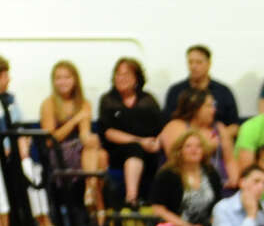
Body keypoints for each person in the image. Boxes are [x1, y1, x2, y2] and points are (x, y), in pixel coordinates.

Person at [39, 60, 107, 210]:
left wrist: (89, 138)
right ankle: (97, 206)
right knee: (98, 155)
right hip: (58, 152)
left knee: (100, 153)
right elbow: (51, 140)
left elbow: (84, 134)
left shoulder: (84, 103)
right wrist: (75, 119)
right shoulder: (49, 104)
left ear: (75, 79)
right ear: (53, 81)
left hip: (82, 150)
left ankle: (91, 191)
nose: (63, 82)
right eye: (58, 78)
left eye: (67, 77)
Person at [148, 130, 223, 226]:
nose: (194, 150)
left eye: (198, 146)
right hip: (176, 225)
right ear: (179, 151)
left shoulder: (211, 172)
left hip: (205, 225)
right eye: (188, 146)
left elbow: (218, 205)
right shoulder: (168, 174)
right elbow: (158, 209)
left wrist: (213, 225)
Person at [98, 57, 161, 206]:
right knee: (134, 150)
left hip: (149, 150)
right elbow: (108, 132)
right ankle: (131, 198)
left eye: (126, 75)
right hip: (118, 150)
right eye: (118, 74)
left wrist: (156, 142)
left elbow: (161, 127)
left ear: (137, 78)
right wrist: (140, 141)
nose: (121, 78)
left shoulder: (148, 100)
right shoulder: (108, 100)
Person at [161, 45, 240, 150]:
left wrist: (215, 138)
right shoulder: (176, 91)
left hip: (217, 144)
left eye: (198, 62)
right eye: (190, 62)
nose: (193, 66)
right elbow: (168, 124)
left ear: (209, 64)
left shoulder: (223, 91)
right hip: (183, 145)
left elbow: (234, 126)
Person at [157, 88, 229, 188]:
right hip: (186, 183)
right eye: (209, 106)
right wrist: (208, 147)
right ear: (195, 108)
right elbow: (176, 159)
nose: (214, 110)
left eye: (213, 105)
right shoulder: (175, 126)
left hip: (222, 183)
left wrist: (233, 181)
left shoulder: (219, 127)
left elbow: (230, 160)